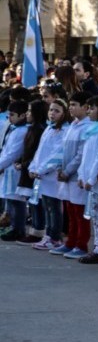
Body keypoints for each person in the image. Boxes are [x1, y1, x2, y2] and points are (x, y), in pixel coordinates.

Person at [50, 92, 92, 258]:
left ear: (85, 107)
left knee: (80, 213)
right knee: (71, 213)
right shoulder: (72, 125)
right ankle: (70, 242)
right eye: (71, 104)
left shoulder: (87, 127)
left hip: (76, 177)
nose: (71, 108)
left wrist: (68, 171)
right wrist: (60, 167)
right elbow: (63, 150)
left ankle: (81, 245)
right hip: (66, 176)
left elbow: (81, 154)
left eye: (75, 105)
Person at [28, 99, 71, 250]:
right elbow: (40, 151)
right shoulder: (48, 128)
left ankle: (55, 237)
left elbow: (58, 154)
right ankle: (48, 234)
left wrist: (41, 169)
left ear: (64, 113)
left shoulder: (65, 130)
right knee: (46, 206)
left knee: (54, 207)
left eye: (57, 111)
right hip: (42, 175)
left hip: (52, 176)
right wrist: (33, 167)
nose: (52, 113)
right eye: (51, 110)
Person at [76, 96, 98, 263]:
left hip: (97, 181)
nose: (88, 111)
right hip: (89, 180)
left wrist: (91, 177)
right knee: (95, 214)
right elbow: (85, 157)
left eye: (92, 108)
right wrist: (81, 176)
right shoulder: (93, 129)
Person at [12, 100, 48, 244]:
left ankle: (38, 231)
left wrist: (25, 164)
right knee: (32, 201)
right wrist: (20, 161)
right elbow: (26, 150)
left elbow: (37, 152)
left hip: (33, 170)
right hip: (27, 169)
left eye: (29, 111)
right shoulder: (32, 128)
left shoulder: (39, 129)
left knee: (37, 202)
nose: (27, 114)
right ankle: (35, 229)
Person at [0, 101, 28, 242]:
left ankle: (19, 229)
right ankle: (13, 226)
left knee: (17, 201)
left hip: (14, 170)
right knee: (11, 200)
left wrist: (1, 165)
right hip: (8, 169)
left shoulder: (22, 131)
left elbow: (13, 153)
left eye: (12, 115)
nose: (9, 117)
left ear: (22, 115)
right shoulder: (14, 129)